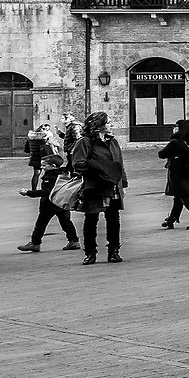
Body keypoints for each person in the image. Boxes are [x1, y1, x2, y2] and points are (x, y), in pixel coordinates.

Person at [70, 111, 128, 264]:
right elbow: (78, 163)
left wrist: (123, 182)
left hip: (113, 185)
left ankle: (114, 251)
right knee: (91, 218)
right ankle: (90, 252)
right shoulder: (85, 142)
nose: (111, 124)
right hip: (95, 185)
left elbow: (119, 164)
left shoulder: (113, 142)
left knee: (113, 218)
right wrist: (98, 168)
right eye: (108, 122)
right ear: (99, 126)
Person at [17, 146, 80, 252]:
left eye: (44, 165)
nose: (42, 168)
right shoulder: (62, 174)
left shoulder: (50, 177)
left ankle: (35, 243)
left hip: (50, 204)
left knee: (41, 223)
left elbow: (46, 192)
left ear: (53, 166)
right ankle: (74, 241)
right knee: (66, 222)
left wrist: (28, 192)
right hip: (61, 202)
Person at [157, 118, 189, 229]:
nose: (174, 129)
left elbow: (161, 154)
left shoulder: (176, 142)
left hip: (178, 173)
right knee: (179, 196)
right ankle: (172, 219)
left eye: (177, 127)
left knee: (184, 196)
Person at [24, 116, 53, 196]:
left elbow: (26, 149)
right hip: (45, 157)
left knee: (36, 174)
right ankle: (47, 189)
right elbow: (51, 146)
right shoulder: (46, 137)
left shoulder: (31, 136)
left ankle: (34, 190)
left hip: (34, 157)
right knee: (48, 173)